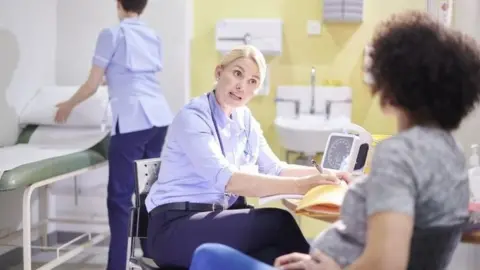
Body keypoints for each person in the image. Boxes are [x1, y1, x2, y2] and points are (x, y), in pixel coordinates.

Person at [188, 10, 480, 270]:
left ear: (391, 85)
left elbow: (387, 261)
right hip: (329, 259)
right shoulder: (452, 154)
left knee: (208, 255)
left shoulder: (400, 153)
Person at [144, 44, 340, 268]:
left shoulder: (244, 119)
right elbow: (228, 180)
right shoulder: (194, 117)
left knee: (274, 257)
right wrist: (299, 186)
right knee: (278, 222)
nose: (242, 86)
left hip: (213, 221)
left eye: (252, 81)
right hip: (174, 229)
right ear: (219, 72)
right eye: (237, 73)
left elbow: (276, 168)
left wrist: (329, 175)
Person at [54, 0, 173, 269]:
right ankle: (152, 256)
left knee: (120, 199)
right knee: (147, 192)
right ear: (143, 6)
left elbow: (92, 84)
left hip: (132, 121)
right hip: (159, 119)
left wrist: (68, 105)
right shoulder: (152, 35)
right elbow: (135, 75)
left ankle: (117, 265)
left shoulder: (112, 34)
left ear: (118, 4)